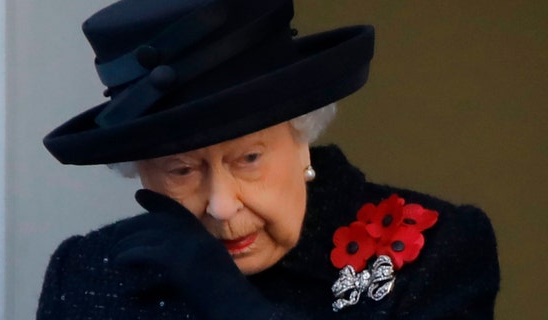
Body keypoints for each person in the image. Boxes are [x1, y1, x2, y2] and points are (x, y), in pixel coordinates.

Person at [38, 0, 500, 319]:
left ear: (303, 134)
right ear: (140, 172)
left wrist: (233, 305)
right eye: (181, 170)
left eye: (249, 158)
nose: (221, 205)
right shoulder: (87, 270)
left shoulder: (436, 247)